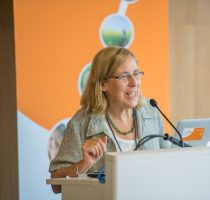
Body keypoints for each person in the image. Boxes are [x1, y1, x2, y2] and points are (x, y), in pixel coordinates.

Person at [49, 46, 170, 193]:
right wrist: (84, 164)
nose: (134, 82)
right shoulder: (81, 123)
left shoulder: (151, 112)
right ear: (103, 84)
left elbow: (168, 163)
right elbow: (56, 185)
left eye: (136, 73)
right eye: (125, 76)